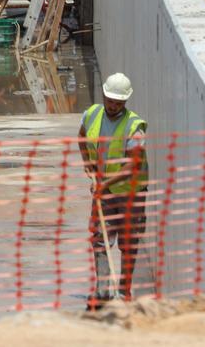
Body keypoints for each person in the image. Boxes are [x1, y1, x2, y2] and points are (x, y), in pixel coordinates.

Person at [78, 73, 148, 310]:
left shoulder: (134, 126)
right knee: (100, 239)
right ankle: (103, 291)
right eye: (110, 101)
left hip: (130, 194)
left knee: (128, 243)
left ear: (125, 102)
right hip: (105, 194)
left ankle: (124, 292)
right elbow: (81, 137)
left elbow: (132, 165)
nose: (113, 106)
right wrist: (87, 162)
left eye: (119, 103)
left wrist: (103, 184)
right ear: (104, 95)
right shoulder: (92, 114)